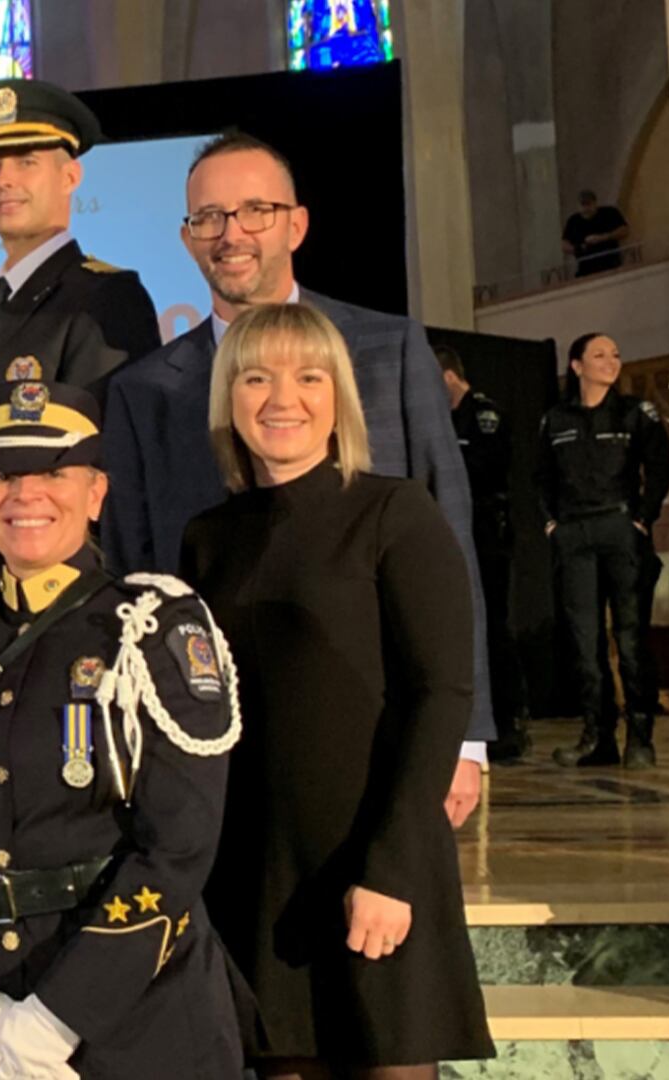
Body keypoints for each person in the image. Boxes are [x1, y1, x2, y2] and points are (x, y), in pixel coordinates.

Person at [102, 131, 494, 826]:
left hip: (375, 741)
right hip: (207, 749)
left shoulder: (389, 351)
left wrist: (465, 735)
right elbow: (132, 570)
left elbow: (451, 541)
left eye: (256, 210)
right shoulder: (143, 392)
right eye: (209, 217)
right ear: (188, 238)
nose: (232, 234)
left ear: (297, 225)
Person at [0, 374, 244, 1079]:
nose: (25, 494)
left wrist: (54, 1021)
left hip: (135, 1016)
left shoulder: (153, 628)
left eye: (52, 473)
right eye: (2, 476)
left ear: (96, 492)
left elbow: (180, 844)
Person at [182, 303, 493, 1078]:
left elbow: (441, 693)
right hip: (257, 877)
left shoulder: (394, 512)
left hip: (376, 858)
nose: (282, 398)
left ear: (340, 397)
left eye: (309, 377)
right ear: (229, 397)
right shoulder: (207, 539)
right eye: (257, 378)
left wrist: (391, 869)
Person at [0, 77, 162, 604]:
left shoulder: (105, 300)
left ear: (70, 176)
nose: (4, 180)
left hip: (55, 595)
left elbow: (98, 467)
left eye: (26, 161)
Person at [537, 332, 669, 769]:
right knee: (584, 642)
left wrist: (643, 518)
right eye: (599, 355)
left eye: (615, 354)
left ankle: (640, 736)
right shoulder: (555, 420)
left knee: (631, 639)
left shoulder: (635, 412)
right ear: (576, 366)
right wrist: (552, 525)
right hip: (574, 535)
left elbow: (660, 467)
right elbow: (540, 478)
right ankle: (598, 737)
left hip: (621, 530)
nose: (610, 361)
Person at [438, 344, 532, 763]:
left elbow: (485, 467)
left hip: (485, 528)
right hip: (446, 528)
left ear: (448, 377)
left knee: (493, 626)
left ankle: (508, 723)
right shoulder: (438, 418)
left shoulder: (484, 414)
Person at [561, 190, 630, 277]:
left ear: (595, 203)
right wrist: (578, 248)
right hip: (585, 269)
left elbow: (625, 230)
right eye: (583, 205)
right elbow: (564, 244)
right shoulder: (573, 221)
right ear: (578, 206)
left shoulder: (609, 213)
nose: (586, 208)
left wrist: (604, 237)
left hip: (611, 265)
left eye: (589, 204)